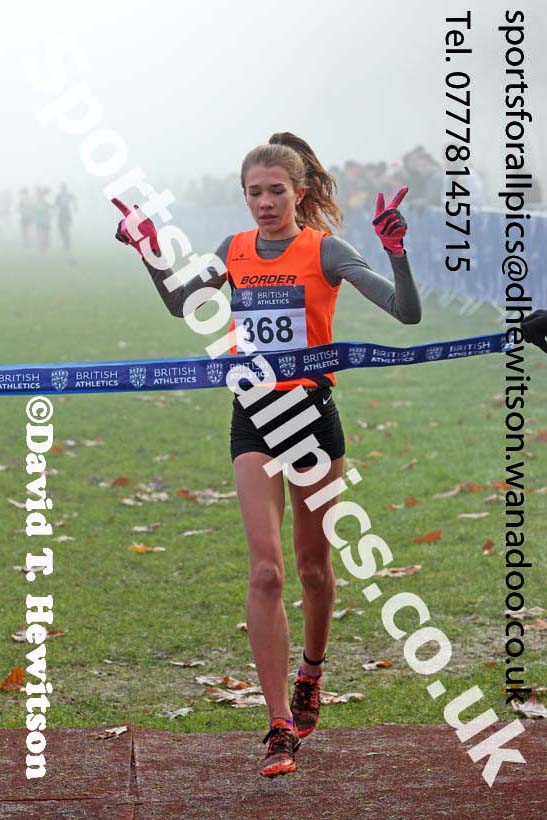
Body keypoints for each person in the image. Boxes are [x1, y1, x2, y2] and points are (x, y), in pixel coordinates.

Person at [112, 132, 422, 778]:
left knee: (313, 568)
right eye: (252, 192)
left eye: (274, 191)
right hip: (252, 417)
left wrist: (396, 254)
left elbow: (405, 314)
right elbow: (181, 302)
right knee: (266, 573)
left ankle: (312, 673)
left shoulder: (325, 250)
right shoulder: (234, 250)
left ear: (299, 192)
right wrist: (148, 250)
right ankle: (279, 722)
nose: (262, 202)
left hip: (311, 419)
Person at [54, 182, 77, 252]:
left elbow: (74, 199)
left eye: (63, 188)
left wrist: (76, 206)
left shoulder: (68, 194)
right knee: (61, 228)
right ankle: (65, 243)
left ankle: (67, 244)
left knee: (65, 229)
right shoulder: (59, 195)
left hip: (66, 212)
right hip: (61, 212)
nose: (62, 189)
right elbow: (55, 204)